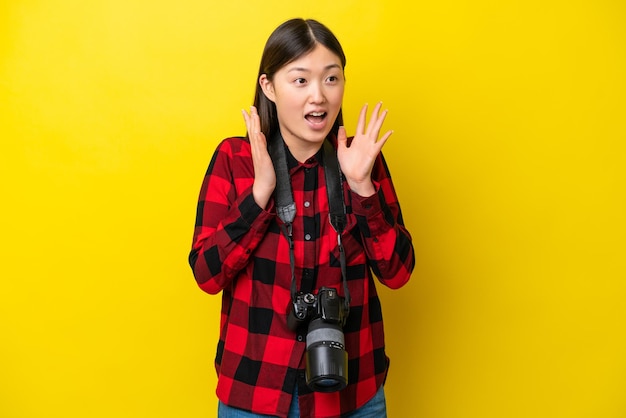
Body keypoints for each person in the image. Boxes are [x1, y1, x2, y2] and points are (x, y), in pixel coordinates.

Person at [189, 18, 414, 418]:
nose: (319, 96)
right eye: (300, 80)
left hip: (352, 393)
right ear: (268, 87)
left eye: (331, 79)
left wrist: (363, 187)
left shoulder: (361, 159)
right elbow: (207, 275)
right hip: (255, 392)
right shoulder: (235, 160)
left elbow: (398, 273)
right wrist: (259, 195)